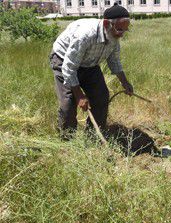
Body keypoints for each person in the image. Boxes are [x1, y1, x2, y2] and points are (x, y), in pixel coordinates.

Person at [49, 3, 133, 140]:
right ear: (107, 23)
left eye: (125, 30)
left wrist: (125, 82)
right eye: (119, 30)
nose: (122, 34)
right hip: (64, 60)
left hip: (90, 64)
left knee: (101, 97)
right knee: (68, 105)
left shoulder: (114, 36)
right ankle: (67, 140)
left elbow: (114, 61)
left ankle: (93, 136)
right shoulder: (85, 35)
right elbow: (69, 67)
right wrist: (80, 95)